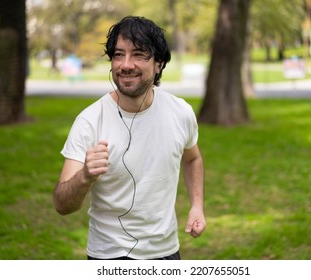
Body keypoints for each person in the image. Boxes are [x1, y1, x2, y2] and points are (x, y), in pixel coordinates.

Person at [53, 16, 206, 260]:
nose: (126, 64)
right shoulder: (90, 121)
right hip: (109, 256)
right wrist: (85, 177)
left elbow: (192, 158)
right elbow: (62, 205)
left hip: (166, 253)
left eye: (138, 54)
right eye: (118, 55)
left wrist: (197, 205)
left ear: (159, 64)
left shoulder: (180, 112)